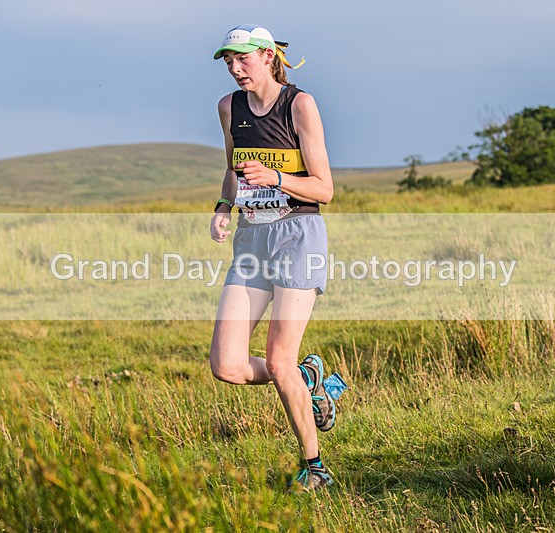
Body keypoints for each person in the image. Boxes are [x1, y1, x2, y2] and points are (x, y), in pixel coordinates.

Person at [209, 24, 336, 492]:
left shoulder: (299, 105)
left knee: (279, 362)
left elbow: (324, 188)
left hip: (298, 234)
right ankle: (306, 377)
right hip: (251, 240)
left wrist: (275, 178)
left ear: (267, 56)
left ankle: (314, 467)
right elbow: (232, 167)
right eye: (228, 62)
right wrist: (224, 207)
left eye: (243, 59)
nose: (235, 69)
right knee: (227, 366)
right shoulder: (229, 107)